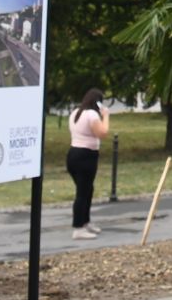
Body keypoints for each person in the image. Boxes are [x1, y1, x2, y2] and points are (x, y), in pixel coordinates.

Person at [66, 89, 108, 240]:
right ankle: (78, 228)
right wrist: (106, 116)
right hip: (86, 156)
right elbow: (103, 132)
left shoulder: (76, 112)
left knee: (87, 190)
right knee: (83, 193)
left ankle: (85, 221)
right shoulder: (91, 115)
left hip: (73, 154)